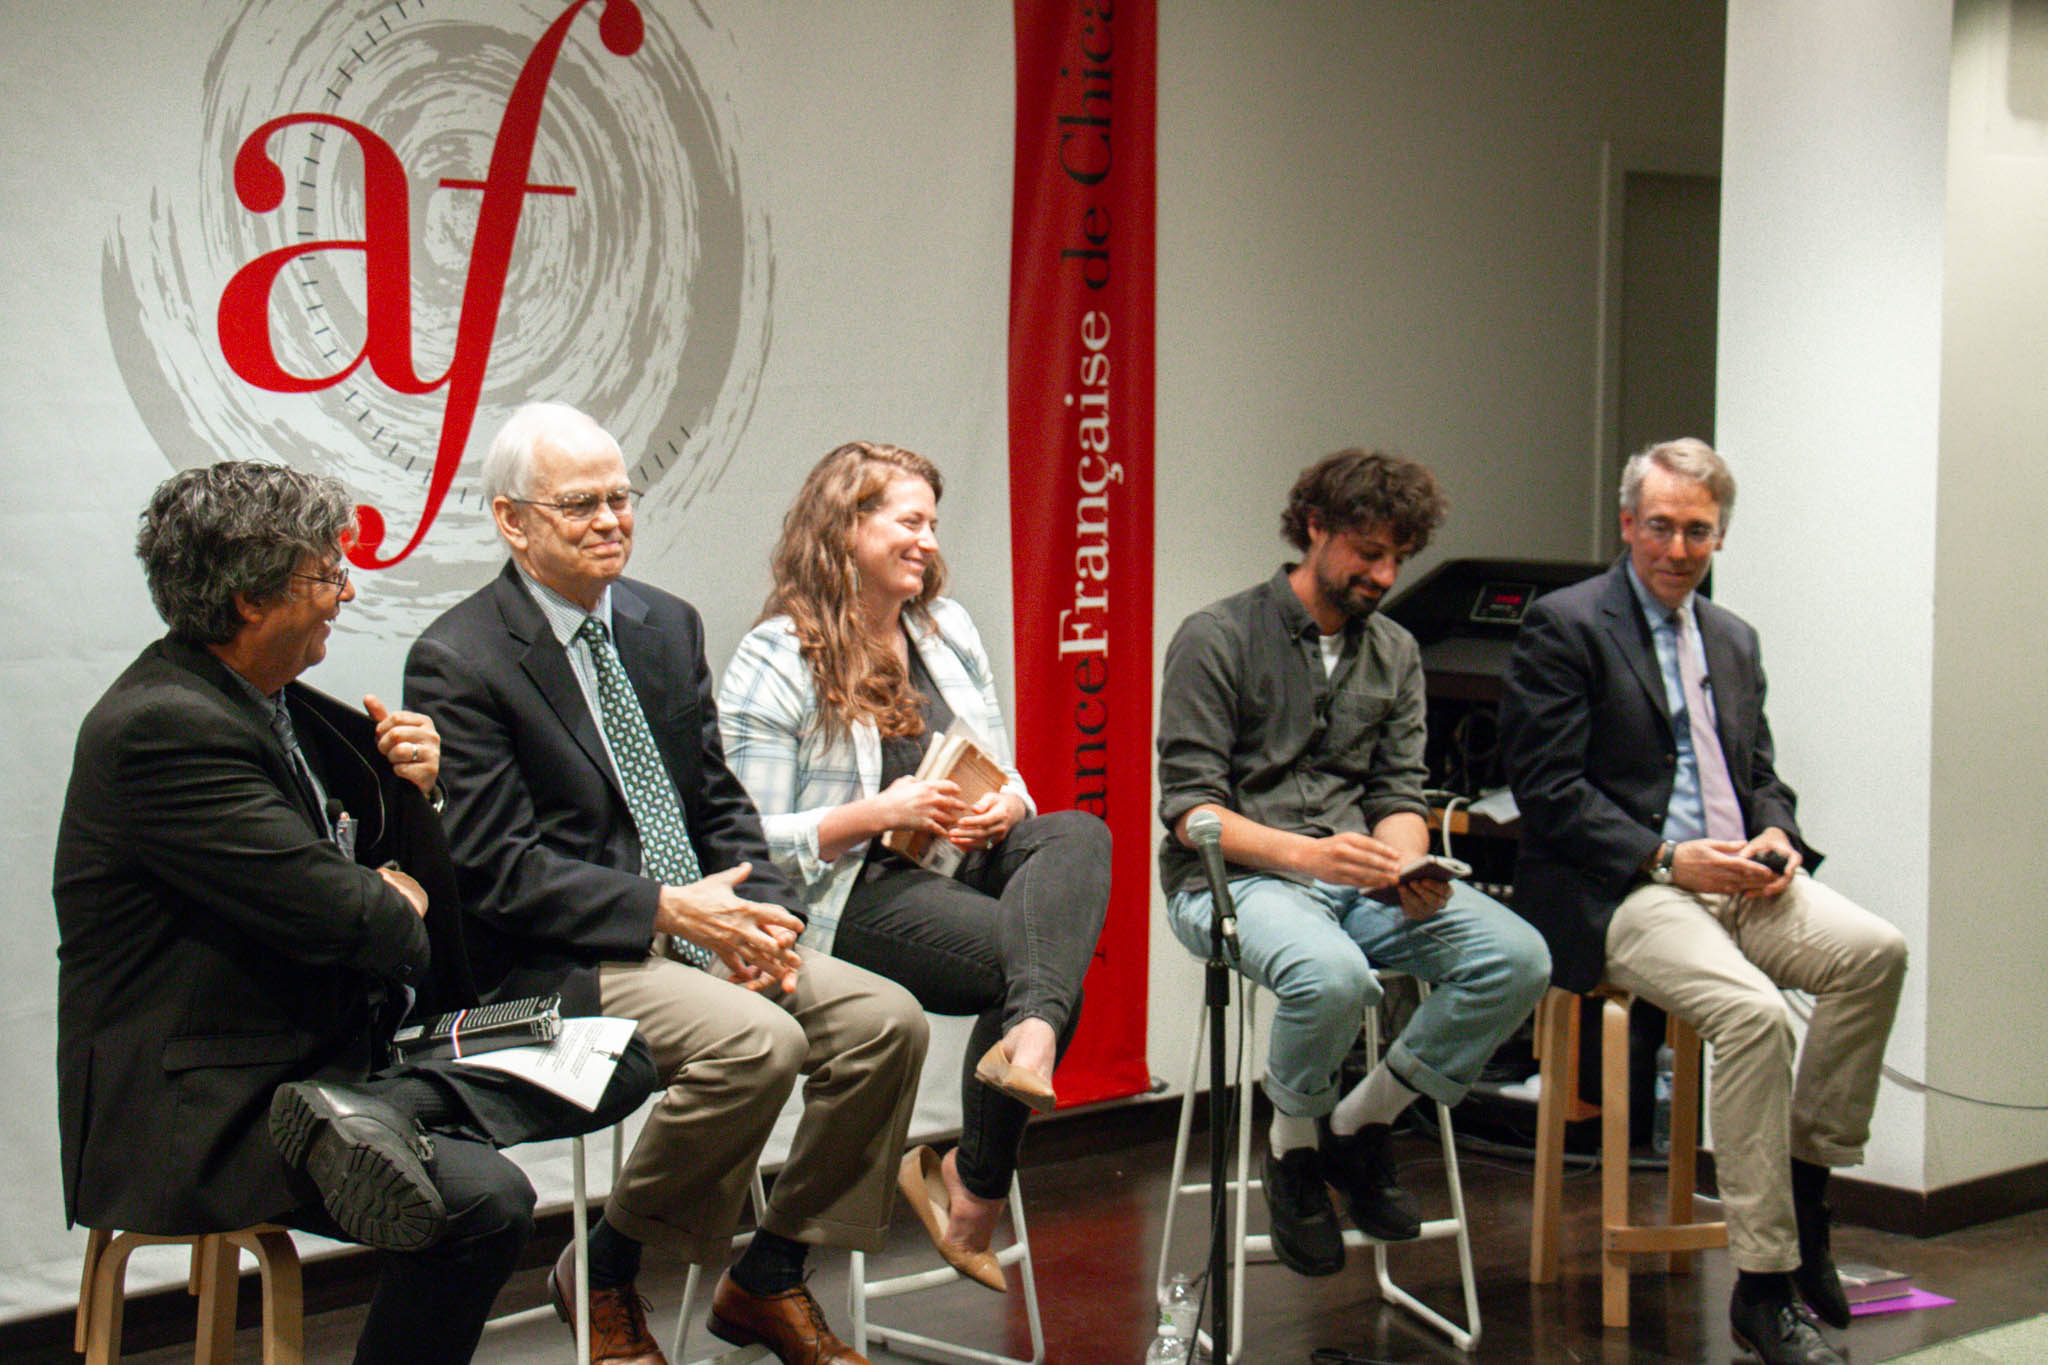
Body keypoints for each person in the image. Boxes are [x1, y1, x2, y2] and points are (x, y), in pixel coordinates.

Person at [54, 462, 657, 1365]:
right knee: (485, 1202)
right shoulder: (164, 727)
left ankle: (382, 1110)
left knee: (620, 1057)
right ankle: (367, 1114)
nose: (346, 592)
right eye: (328, 573)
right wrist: (386, 893)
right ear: (251, 598)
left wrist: (419, 796)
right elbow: (358, 919)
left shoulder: (277, 706)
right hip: (208, 1107)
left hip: (333, 1062)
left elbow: (403, 927)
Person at [406, 403, 928, 1365]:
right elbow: (497, 869)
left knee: (885, 1021)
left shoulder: (663, 623)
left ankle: (768, 1273)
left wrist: (769, 916)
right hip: (565, 958)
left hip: (704, 923)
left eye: (620, 497)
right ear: (512, 520)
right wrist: (666, 909)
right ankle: (605, 1268)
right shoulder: (460, 657)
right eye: (580, 505)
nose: (611, 520)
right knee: (759, 1042)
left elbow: (719, 802)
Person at [1498, 438, 1907, 1365]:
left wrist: (1777, 835)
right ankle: (1763, 1287)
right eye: (1661, 527)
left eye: (1698, 531)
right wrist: (1667, 856)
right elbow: (1548, 790)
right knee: (1754, 1014)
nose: (1678, 549)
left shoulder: (1732, 636)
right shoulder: (1567, 625)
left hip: (1738, 876)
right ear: (1626, 524)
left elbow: (1760, 773)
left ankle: (1806, 1190)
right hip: (1624, 884)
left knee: (1875, 950)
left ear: (1719, 535)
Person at [716, 441, 1112, 1293]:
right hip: (848, 890)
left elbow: (1002, 769)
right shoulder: (777, 655)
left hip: (955, 862)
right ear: (845, 528)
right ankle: (976, 1186)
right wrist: (877, 813)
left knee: (1077, 833)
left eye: (933, 523)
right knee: (1041, 970)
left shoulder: (946, 629)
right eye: (909, 521)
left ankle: (1007, 1090)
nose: (929, 541)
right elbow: (745, 840)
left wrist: (1007, 804)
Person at [1155, 448, 1551, 1277]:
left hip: (1357, 884)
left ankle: (1362, 1122)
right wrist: (1314, 856)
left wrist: (1405, 865)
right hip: (1235, 882)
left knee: (1519, 957)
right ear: (1315, 527)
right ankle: (1293, 1144)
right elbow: (1193, 813)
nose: (1384, 574)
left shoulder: (1396, 651)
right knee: (1334, 977)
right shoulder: (1217, 635)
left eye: (1398, 557)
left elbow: (1397, 789)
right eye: (1369, 553)